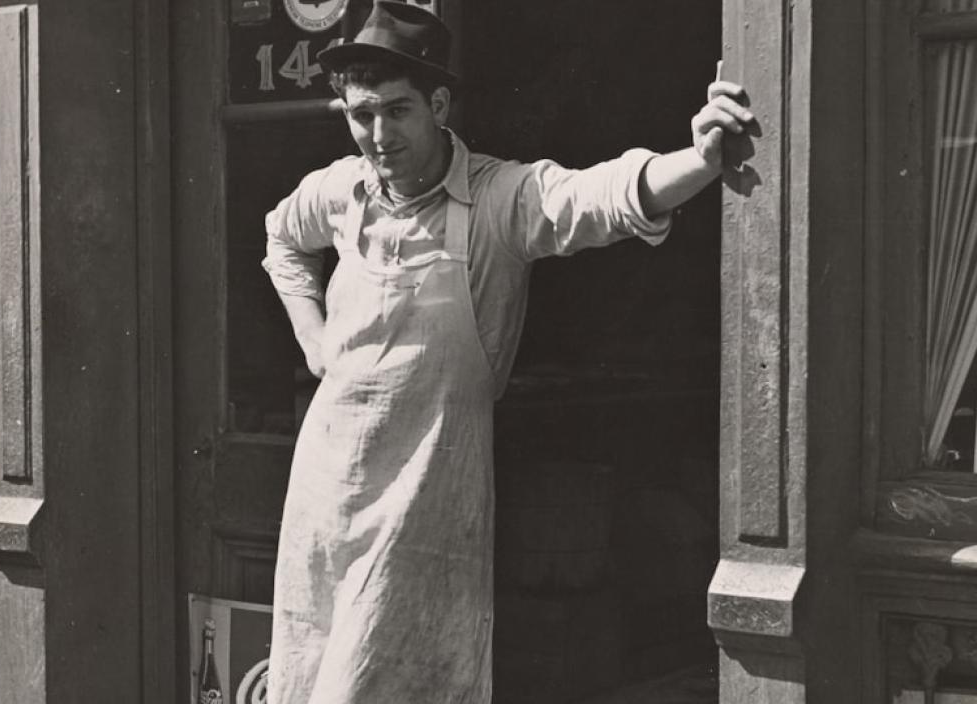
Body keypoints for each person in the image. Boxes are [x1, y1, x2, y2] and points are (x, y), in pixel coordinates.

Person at [261, 2, 755, 701]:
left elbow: (597, 198)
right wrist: (313, 337)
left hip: (427, 497)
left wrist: (701, 161)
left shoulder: (497, 200)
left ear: (438, 106)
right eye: (361, 115)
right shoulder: (341, 191)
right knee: (312, 669)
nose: (378, 135)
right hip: (327, 485)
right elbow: (283, 240)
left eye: (397, 111)